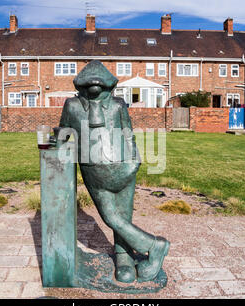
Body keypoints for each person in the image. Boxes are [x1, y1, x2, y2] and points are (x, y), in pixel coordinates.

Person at [58, 60, 170, 283]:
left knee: (123, 214)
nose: (95, 88)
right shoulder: (72, 106)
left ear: (110, 86)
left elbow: (128, 134)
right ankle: (154, 246)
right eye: (89, 84)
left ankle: (124, 259)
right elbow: (63, 133)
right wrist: (53, 140)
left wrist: (133, 161)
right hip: (93, 169)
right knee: (111, 216)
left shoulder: (118, 105)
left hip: (123, 166)